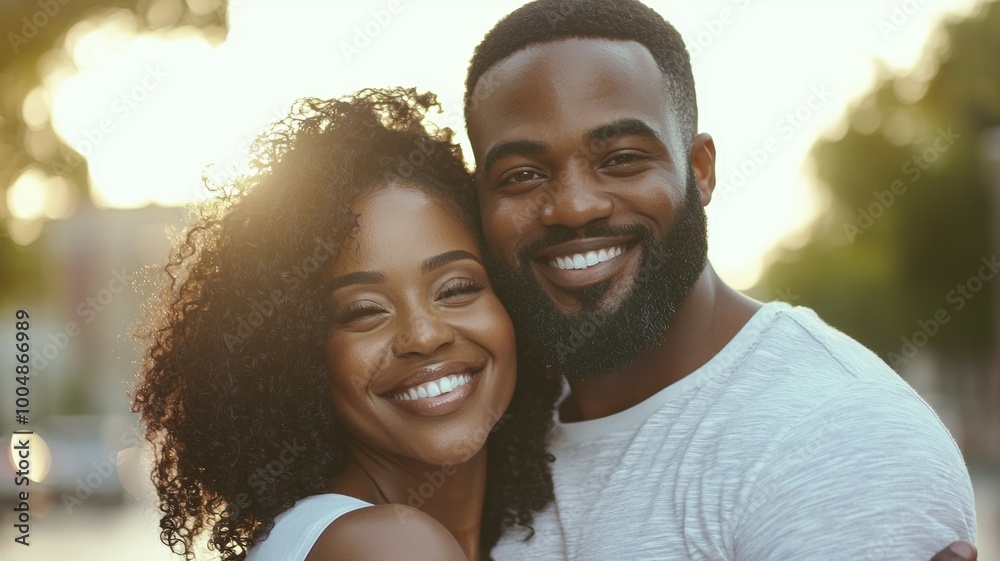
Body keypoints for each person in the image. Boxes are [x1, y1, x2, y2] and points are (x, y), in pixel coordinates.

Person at [462, 0, 979, 559]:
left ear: (700, 170)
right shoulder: (486, 427)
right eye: (521, 175)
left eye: (622, 158)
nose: (574, 206)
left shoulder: (836, 433)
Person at [131, 88, 560, 561]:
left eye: (456, 288)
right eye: (363, 311)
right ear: (298, 355)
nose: (424, 334)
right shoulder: (389, 545)